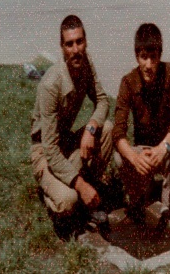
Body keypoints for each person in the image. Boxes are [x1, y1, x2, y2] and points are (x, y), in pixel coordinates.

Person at [30, 15, 112, 237]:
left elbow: (102, 100)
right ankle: (50, 194)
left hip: (65, 141)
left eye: (80, 42)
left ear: (85, 42)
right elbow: (49, 149)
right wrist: (80, 186)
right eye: (69, 44)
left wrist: (91, 127)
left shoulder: (86, 63)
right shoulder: (50, 85)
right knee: (69, 200)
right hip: (44, 151)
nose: (76, 50)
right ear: (62, 47)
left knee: (107, 129)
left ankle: (90, 191)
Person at [113, 23, 170, 225]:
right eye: (143, 57)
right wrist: (134, 157)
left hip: (164, 148)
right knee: (119, 157)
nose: (148, 64)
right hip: (142, 152)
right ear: (137, 56)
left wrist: (164, 148)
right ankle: (137, 198)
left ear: (160, 56)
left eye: (153, 57)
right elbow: (118, 131)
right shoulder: (128, 82)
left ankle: (169, 208)